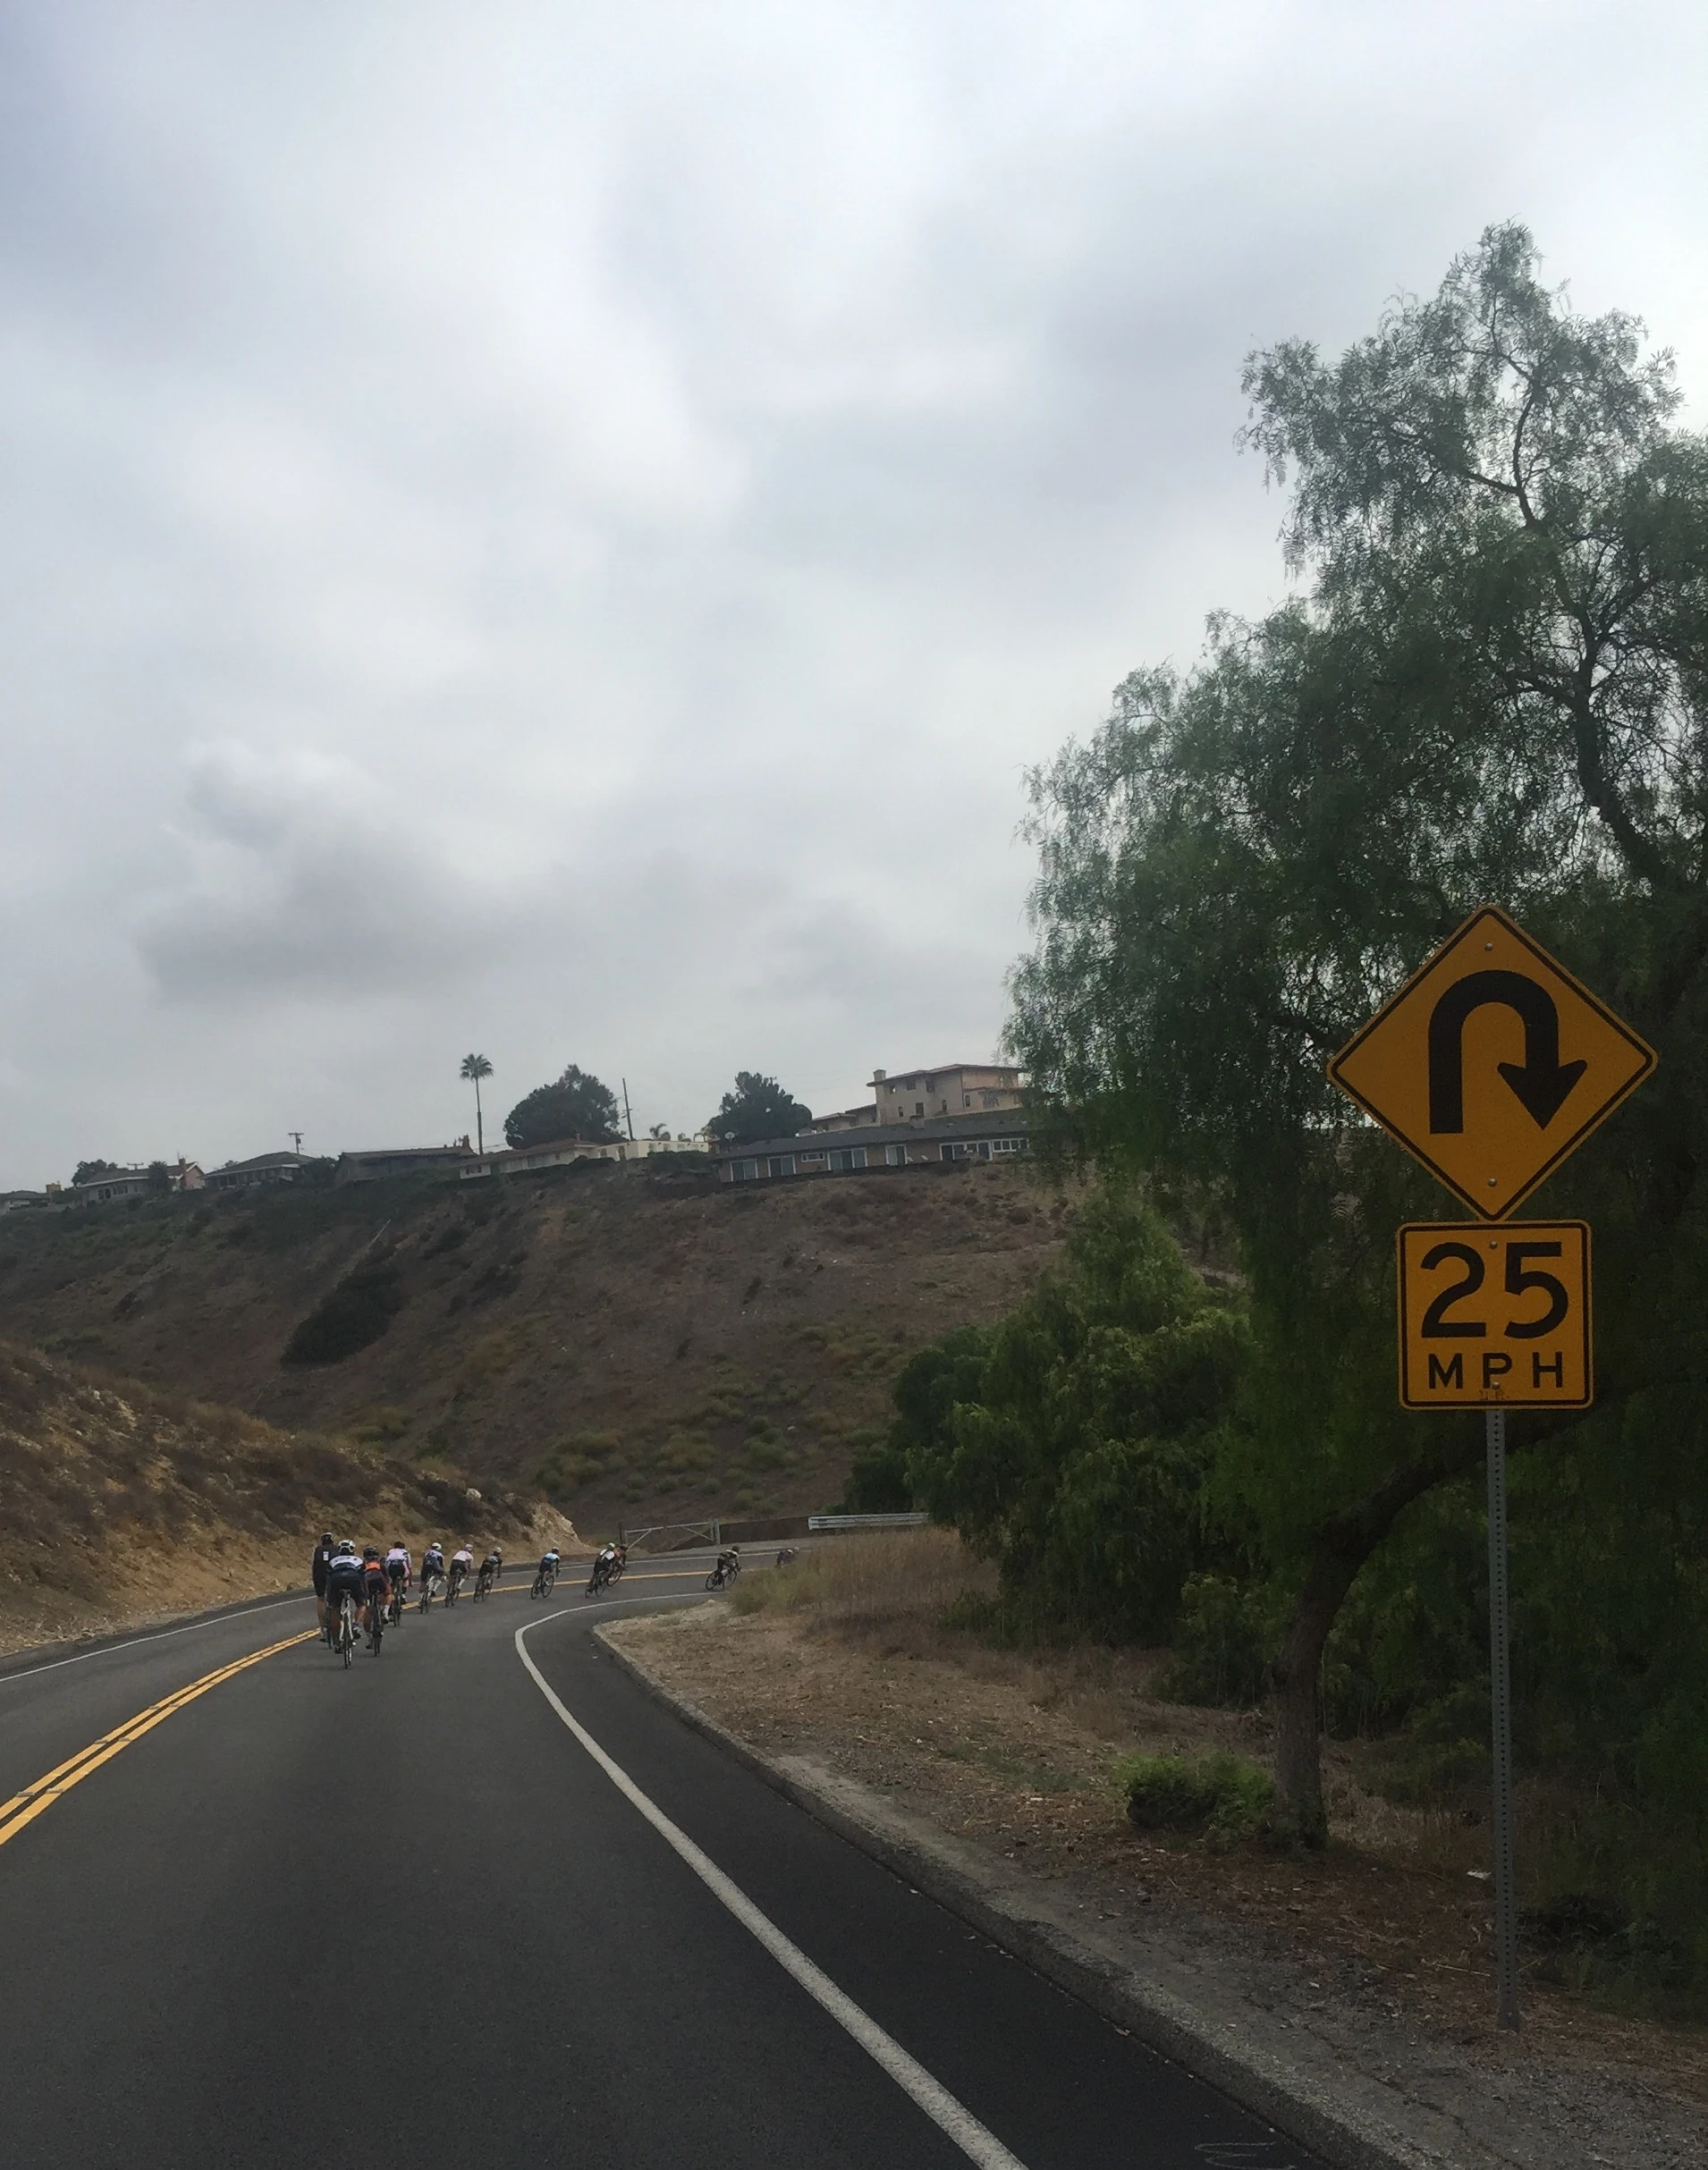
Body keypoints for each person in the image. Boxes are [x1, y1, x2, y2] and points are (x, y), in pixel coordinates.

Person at [323, 1541, 368, 1647]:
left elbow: (328, 1580)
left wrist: (329, 1596)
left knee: (335, 1608)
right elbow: (363, 1579)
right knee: (362, 1604)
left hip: (336, 1580)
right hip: (353, 1579)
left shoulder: (333, 1561)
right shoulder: (358, 1560)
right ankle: (356, 1625)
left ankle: (337, 1640)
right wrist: (365, 1594)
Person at [360, 1546, 390, 1642]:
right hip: (379, 1582)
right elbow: (386, 1578)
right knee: (388, 1594)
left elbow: (360, 1579)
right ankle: (385, 1611)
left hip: (367, 1584)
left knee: (368, 1609)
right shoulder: (380, 1564)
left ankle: (369, 1637)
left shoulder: (362, 1565)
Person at [311, 1531, 336, 1633]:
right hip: (334, 1574)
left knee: (321, 1598)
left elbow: (315, 1566)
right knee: (335, 1598)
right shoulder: (336, 1549)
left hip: (320, 1575)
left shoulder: (318, 1550)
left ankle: (322, 1628)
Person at [385, 1540, 411, 1616]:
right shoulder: (406, 1552)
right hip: (401, 1567)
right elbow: (409, 1566)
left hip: (391, 1567)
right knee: (405, 1579)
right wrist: (409, 1579)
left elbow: (386, 1562)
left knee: (392, 1582)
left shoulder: (390, 1551)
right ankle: (402, 1594)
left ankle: (392, 1591)